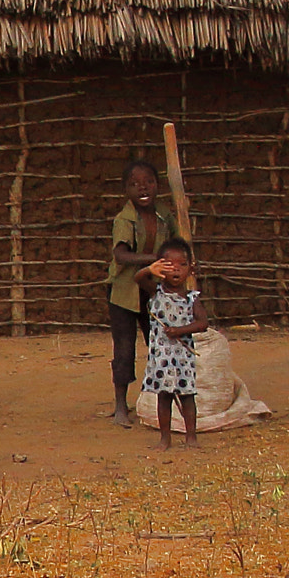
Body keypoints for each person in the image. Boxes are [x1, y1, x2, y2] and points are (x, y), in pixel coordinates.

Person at [107, 158, 165, 428]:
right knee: (124, 349)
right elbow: (120, 255)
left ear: (158, 185)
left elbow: (177, 245)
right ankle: (121, 405)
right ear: (126, 190)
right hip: (125, 293)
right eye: (135, 184)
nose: (143, 188)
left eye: (149, 182)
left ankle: (157, 401)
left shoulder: (165, 217)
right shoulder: (124, 219)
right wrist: (153, 259)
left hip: (152, 290)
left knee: (160, 345)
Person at [138, 238, 207, 449]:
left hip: (183, 357)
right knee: (164, 397)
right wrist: (149, 269)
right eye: (169, 265)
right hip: (161, 357)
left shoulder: (191, 298)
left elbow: (203, 323)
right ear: (161, 267)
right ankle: (165, 438)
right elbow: (138, 278)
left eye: (182, 265)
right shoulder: (155, 292)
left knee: (187, 397)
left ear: (191, 269)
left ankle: (191, 437)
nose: (176, 270)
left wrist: (179, 331)